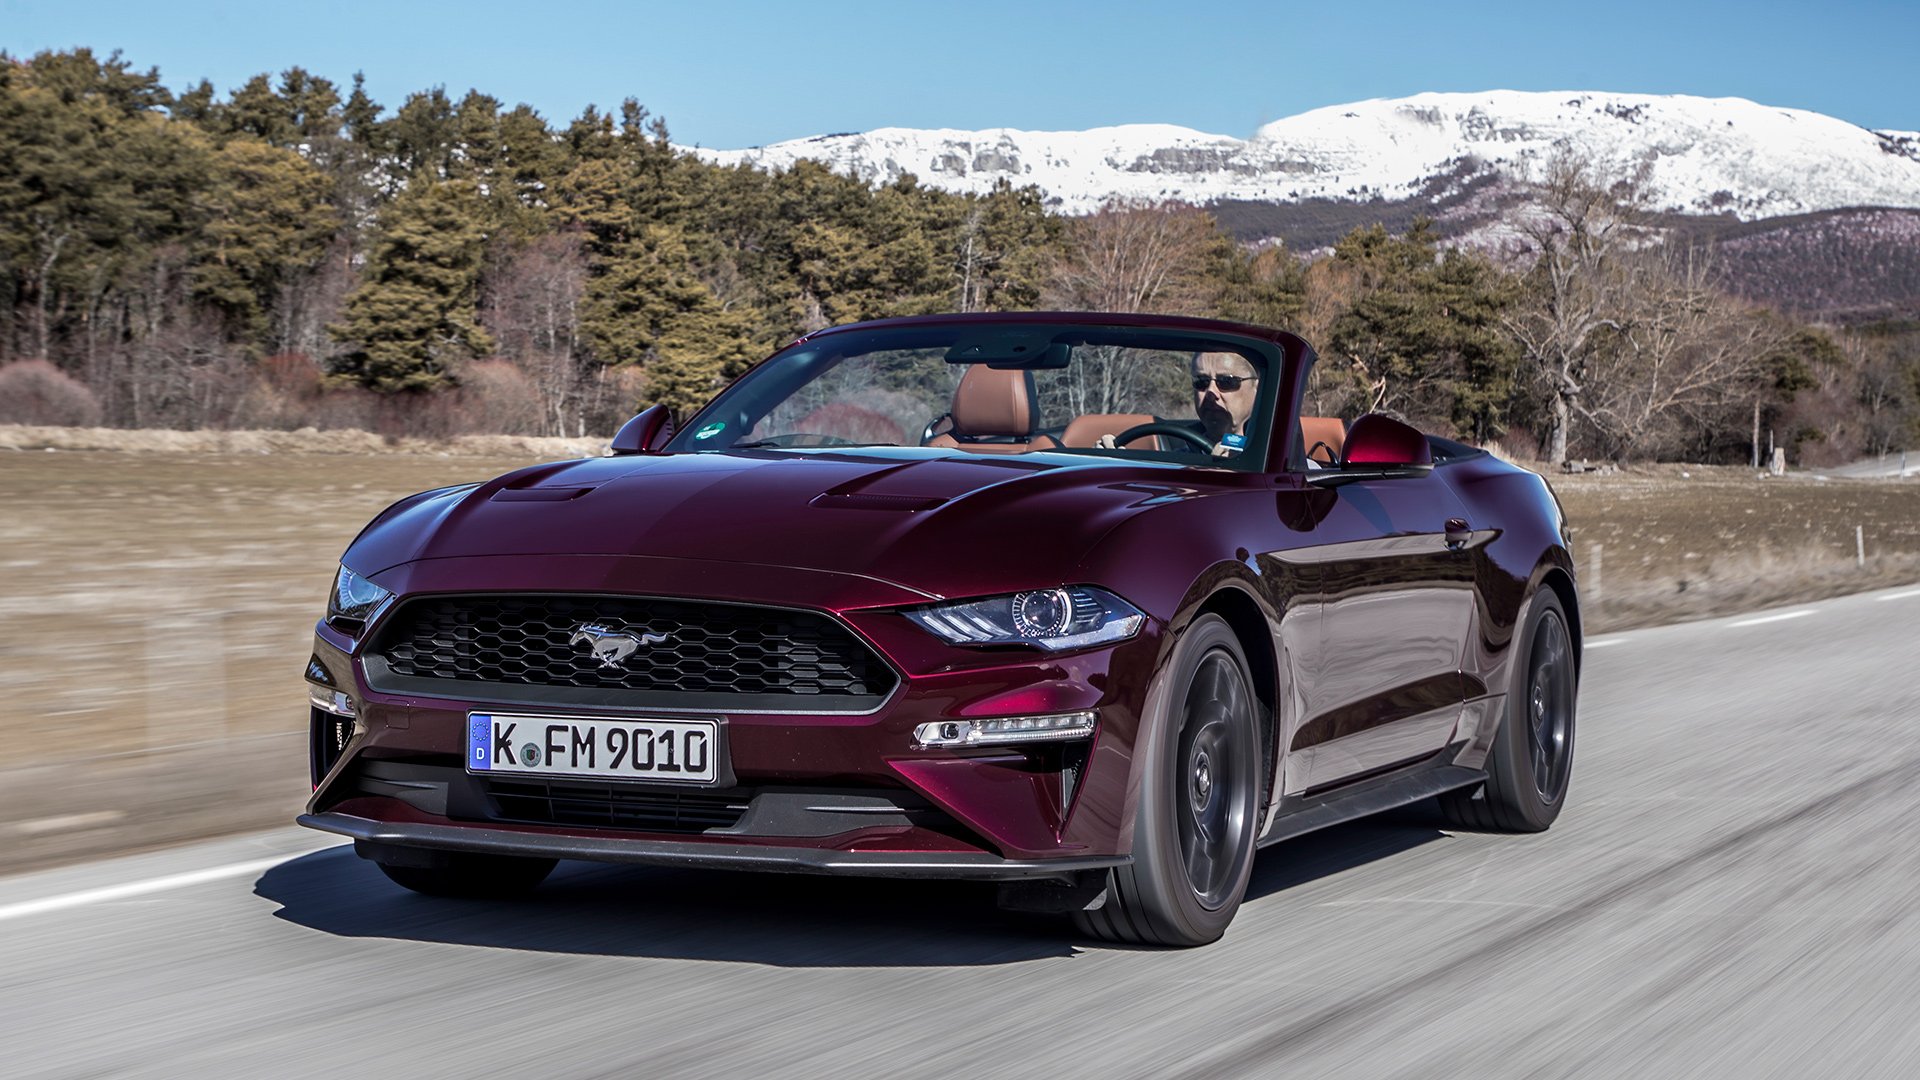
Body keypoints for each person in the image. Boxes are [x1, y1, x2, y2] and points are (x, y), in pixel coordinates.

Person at [1095, 351, 1261, 457]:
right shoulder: (1178, 458)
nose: (1211, 392)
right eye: (1201, 381)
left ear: (1257, 388)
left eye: (1226, 382)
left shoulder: (1274, 457)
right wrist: (1110, 463)